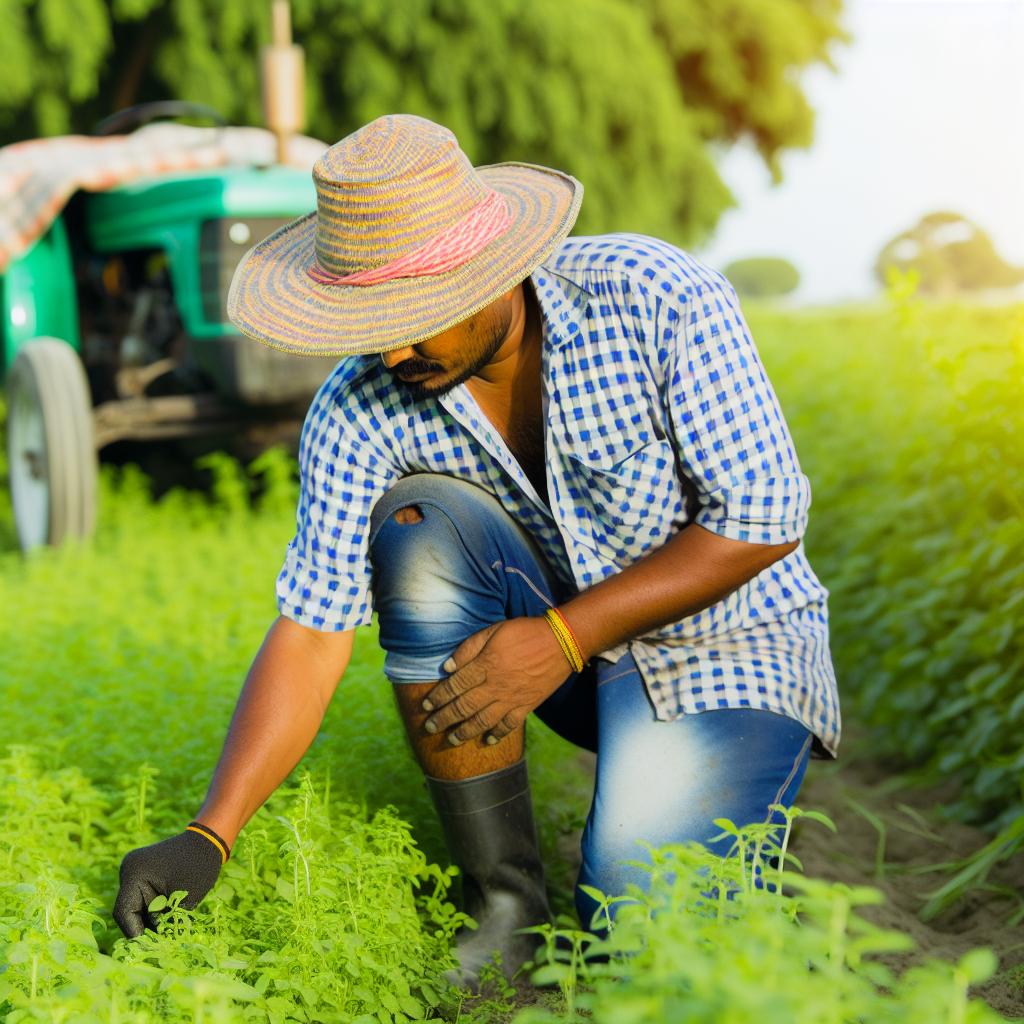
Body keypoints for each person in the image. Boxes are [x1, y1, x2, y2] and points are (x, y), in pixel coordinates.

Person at [112, 113, 841, 987]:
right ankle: (505, 908)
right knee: (418, 521)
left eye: (416, 315)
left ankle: (729, 851)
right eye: (371, 317)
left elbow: (762, 514)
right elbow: (311, 628)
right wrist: (208, 835)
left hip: (727, 648)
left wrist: (565, 636)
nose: (392, 346)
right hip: (560, 668)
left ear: (494, 272)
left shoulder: (655, 297)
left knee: (640, 945)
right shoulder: (360, 405)